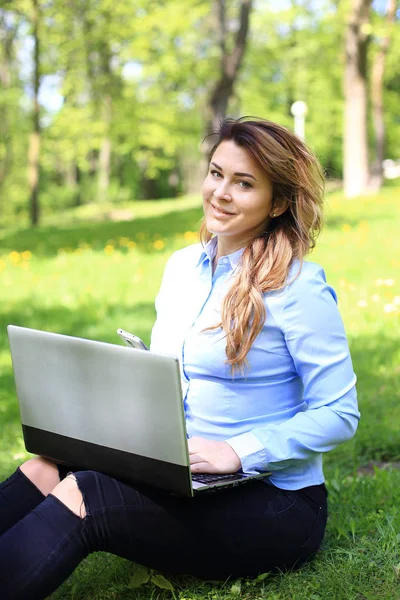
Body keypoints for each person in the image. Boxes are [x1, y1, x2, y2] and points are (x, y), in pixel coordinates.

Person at [0, 117, 359, 600]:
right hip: (183, 474)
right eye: (216, 174)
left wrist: (240, 450)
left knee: (89, 495)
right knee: (46, 467)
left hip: (273, 502)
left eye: (244, 183)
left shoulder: (299, 289)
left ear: (277, 203)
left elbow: (340, 414)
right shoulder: (182, 269)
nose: (221, 193)